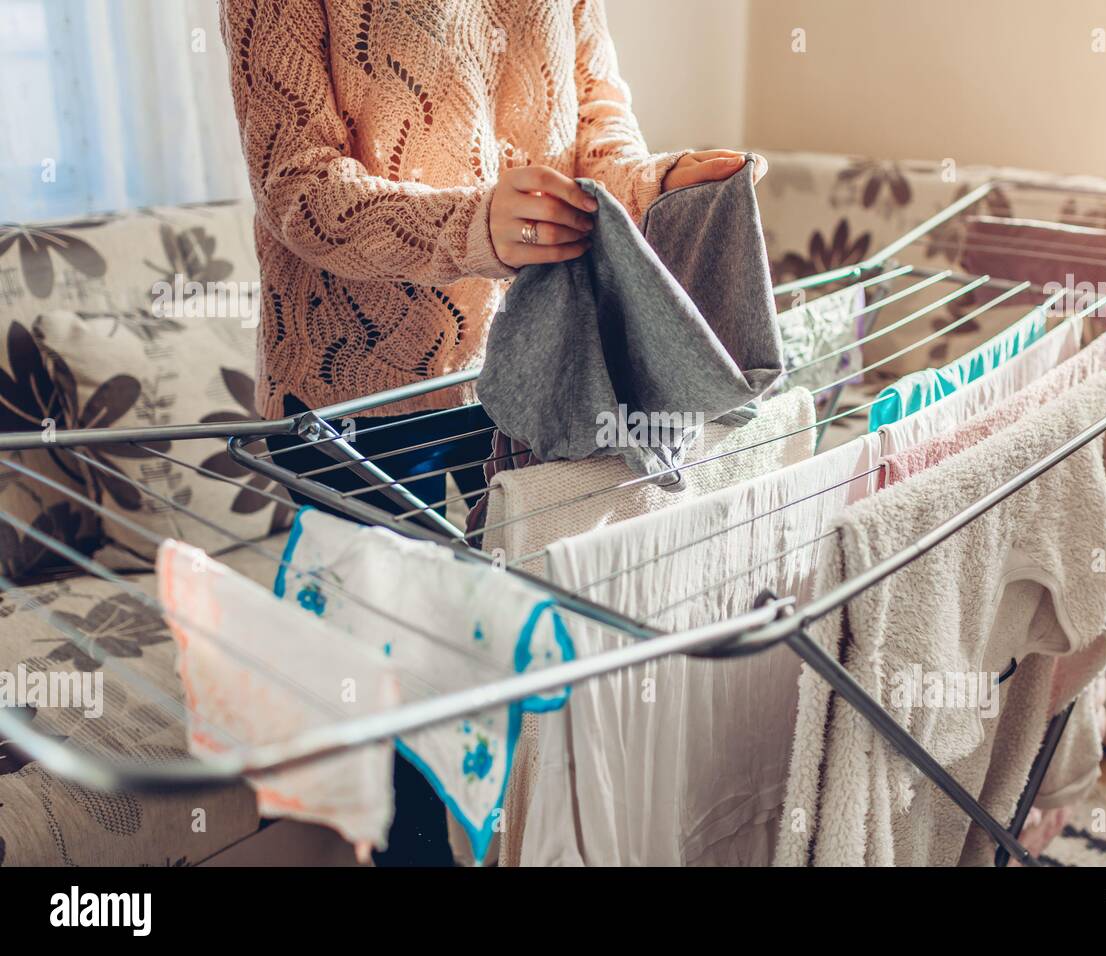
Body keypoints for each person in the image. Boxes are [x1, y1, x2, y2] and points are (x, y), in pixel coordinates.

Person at [219, 0, 765, 865]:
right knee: (403, 729)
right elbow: (299, 188)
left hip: (519, 372)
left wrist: (658, 183)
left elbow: (595, 130)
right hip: (349, 400)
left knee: (505, 685)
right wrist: (468, 226)